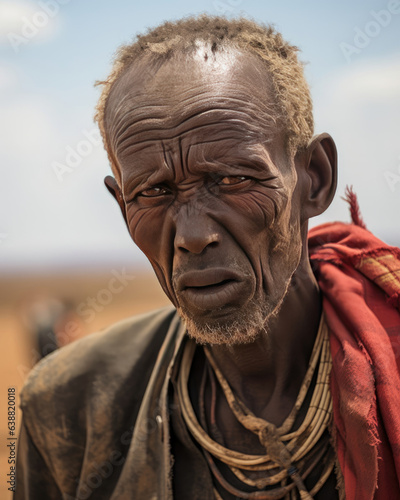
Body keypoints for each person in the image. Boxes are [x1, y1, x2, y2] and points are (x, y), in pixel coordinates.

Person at [14, 15, 400, 500]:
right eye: (154, 191)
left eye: (233, 180)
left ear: (314, 178)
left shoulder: (393, 359)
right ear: (122, 205)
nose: (192, 237)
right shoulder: (66, 408)